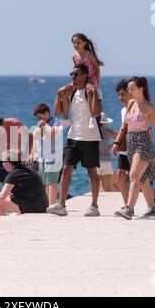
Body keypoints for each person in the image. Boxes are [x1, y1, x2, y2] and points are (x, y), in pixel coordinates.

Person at [112, 77, 155, 220]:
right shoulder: (130, 103)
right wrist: (117, 142)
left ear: (140, 89)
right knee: (142, 178)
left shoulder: (148, 108)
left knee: (133, 175)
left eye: (131, 88)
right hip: (131, 143)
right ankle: (152, 207)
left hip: (143, 143)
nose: (129, 91)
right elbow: (124, 125)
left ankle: (128, 209)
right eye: (128, 89)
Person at [47, 64, 102, 217]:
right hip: (73, 137)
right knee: (66, 169)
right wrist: (59, 94)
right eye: (71, 74)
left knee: (92, 172)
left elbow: (97, 112)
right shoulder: (71, 93)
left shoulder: (92, 91)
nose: (73, 77)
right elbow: (57, 112)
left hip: (90, 138)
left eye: (76, 74)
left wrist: (93, 94)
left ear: (84, 75)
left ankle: (94, 206)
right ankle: (62, 205)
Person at [54, 33, 104, 125]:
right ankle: (65, 118)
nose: (76, 45)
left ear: (84, 43)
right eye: (74, 43)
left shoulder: (89, 55)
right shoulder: (74, 56)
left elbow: (97, 69)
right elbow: (76, 69)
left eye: (78, 42)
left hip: (90, 79)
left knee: (89, 92)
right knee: (64, 92)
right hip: (79, 79)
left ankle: (92, 117)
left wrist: (97, 83)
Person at [0, 115, 33, 207]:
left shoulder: (15, 124)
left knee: (13, 186)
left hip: (14, 158)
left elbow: (30, 136)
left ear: (4, 124)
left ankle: (13, 208)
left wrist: (28, 154)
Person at [0, 150, 48, 216]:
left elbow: (2, 196)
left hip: (35, 208)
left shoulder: (13, 175)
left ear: (8, 162)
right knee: (6, 198)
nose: (2, 164)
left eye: (3, 162)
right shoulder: (27, 169)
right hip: (42, 206)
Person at [30, 103, 63, 206]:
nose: (39, 119)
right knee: (45, 184)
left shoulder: (56, 122)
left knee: (51, 182)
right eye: (38, 118)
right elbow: (36, 139)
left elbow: (53, 134)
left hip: (53, 158)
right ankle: (48, 205)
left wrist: (45, 124)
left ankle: (51, 205)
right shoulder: (41, 125)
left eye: (40, 117)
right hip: (42, 158)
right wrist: (32, 153)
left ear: (46, 113)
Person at [97, 112, 119, 191]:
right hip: (106, 160)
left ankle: (95, 203)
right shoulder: (108, 131)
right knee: (107, 188)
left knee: (95, 186)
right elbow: (120, 139)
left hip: (95, 160)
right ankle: (108, 203)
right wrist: (110, 147)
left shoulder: (92, 131)